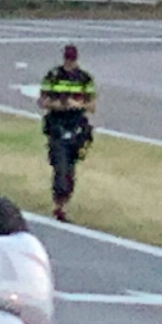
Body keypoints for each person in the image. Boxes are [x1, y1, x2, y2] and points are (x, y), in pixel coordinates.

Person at [38, 43, 97, 222]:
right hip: (57, 124)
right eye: (67, 59)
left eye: (72, 60)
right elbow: (42, 101)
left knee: (70, 167)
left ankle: (64, 200)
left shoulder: (84, 79)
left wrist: (77, 104)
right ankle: (59, 204)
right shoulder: (53, 76)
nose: (69, 63)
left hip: (76, 125)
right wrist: (58, 104)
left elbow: (92, 106)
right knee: (60, 166)